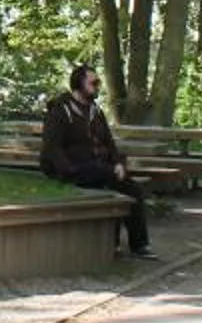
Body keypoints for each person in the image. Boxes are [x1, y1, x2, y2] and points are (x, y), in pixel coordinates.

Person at [40, 63, 153, 259]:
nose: (97, 87)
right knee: (109, 181)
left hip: (98, 167)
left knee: (132, 189)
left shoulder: (95, 111)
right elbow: (52, 147)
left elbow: (109, 142)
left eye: (98, 83)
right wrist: (68, 171)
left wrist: (117, 163)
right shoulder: (60, 111)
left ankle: (139, 245)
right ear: (79, 84)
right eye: (94, 83)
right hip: (74, 168)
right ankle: (111, 243)